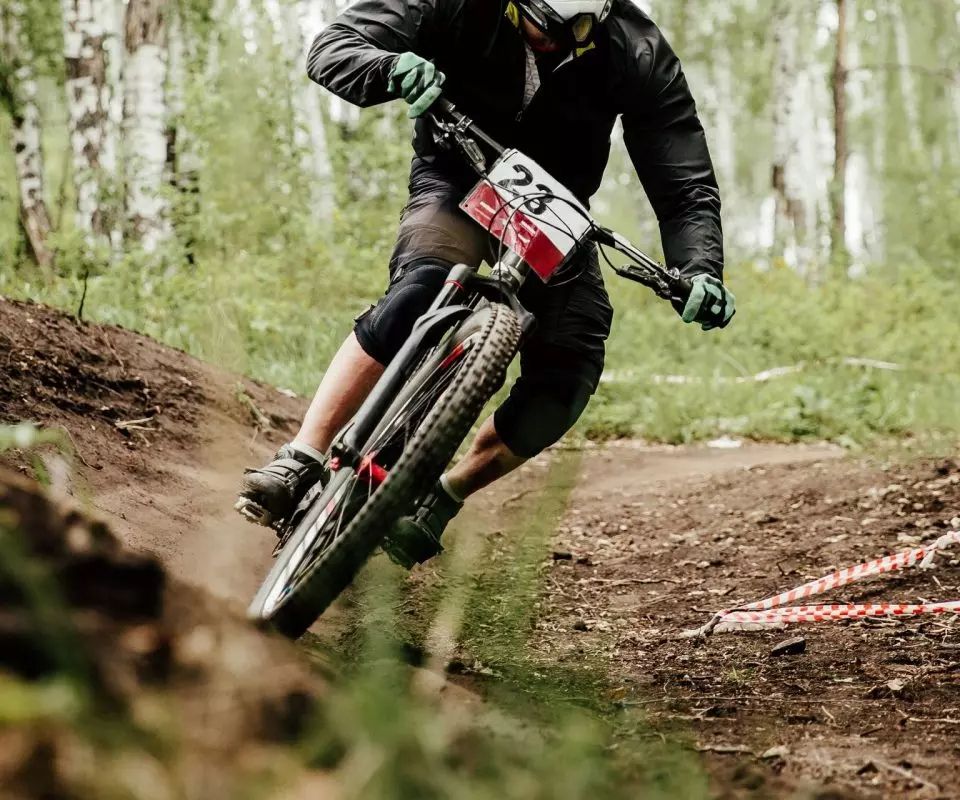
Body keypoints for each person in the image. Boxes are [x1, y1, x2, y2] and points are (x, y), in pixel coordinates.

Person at [235, 0, 735, 567]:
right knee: (422, 288)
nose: (552, 41)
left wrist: (699, 267)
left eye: (573, 31)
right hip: (455, 169)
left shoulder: (637, 48)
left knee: (572, 364)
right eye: (540, 24)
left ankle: (442, 495)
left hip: (554, 210)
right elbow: (335, 47)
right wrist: (388, 68)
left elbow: (683, 176)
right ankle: (302, 454)